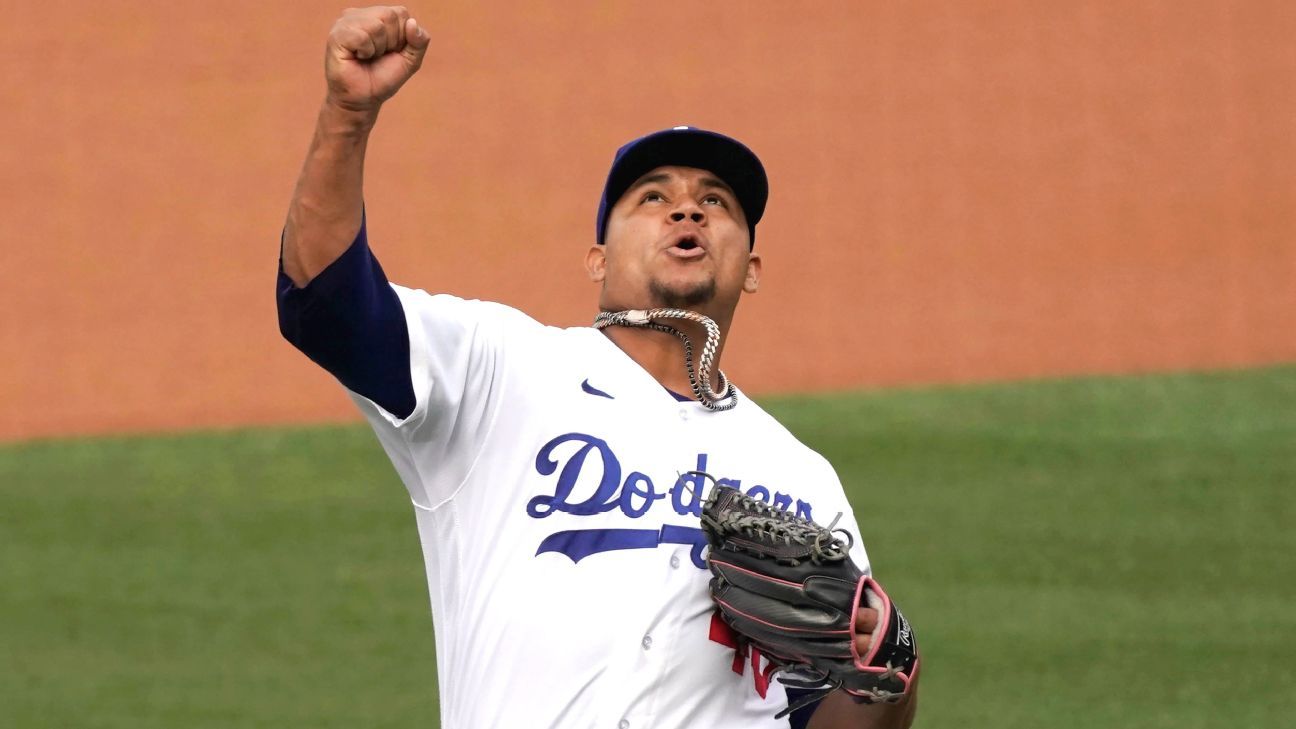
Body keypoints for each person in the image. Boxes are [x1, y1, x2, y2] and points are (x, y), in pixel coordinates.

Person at [277, 6, 919, 728]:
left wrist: (889, 666)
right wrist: (347, 114)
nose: (689, 212)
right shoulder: (501, 369)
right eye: (654, 199)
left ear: (753, 267)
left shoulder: (803, 478)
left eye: (717, 201)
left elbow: (839, 717)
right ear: (598, 259)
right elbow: (322, 303)